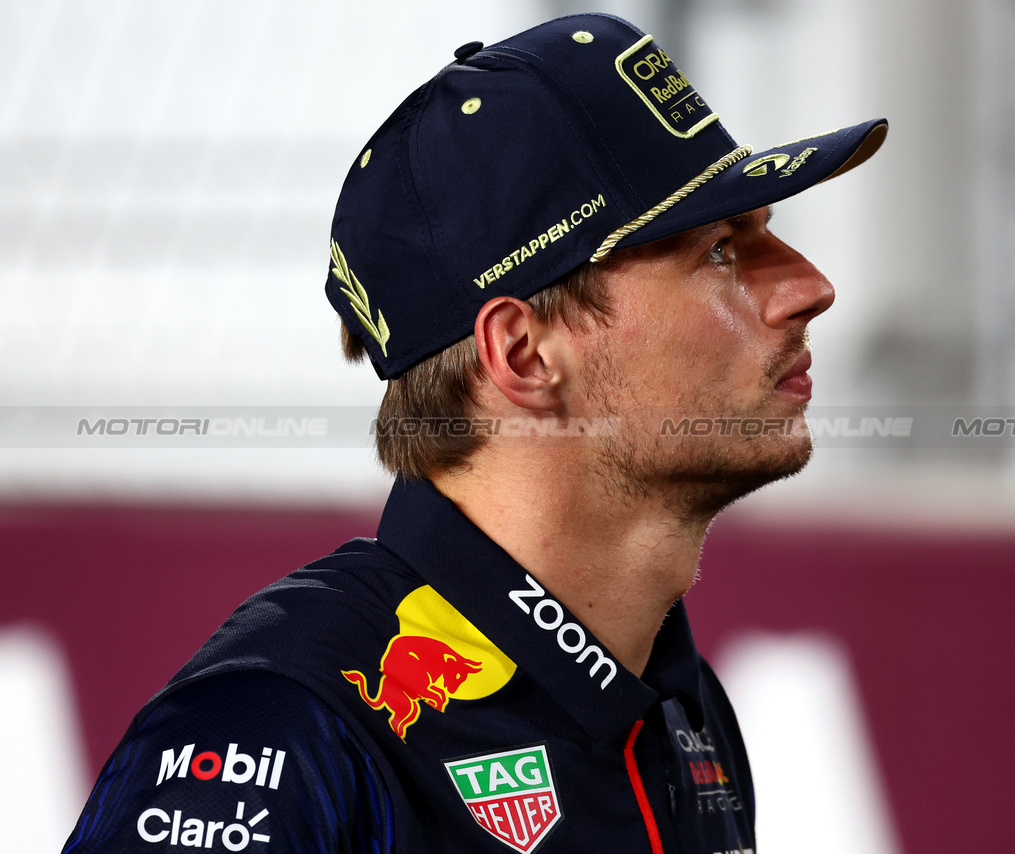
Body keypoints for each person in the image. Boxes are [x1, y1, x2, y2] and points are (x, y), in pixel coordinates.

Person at [62, 12, 886, 853]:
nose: (809, 286)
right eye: (718, 248)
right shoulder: (276, 730)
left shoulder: (678, 706)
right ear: (523, 354)